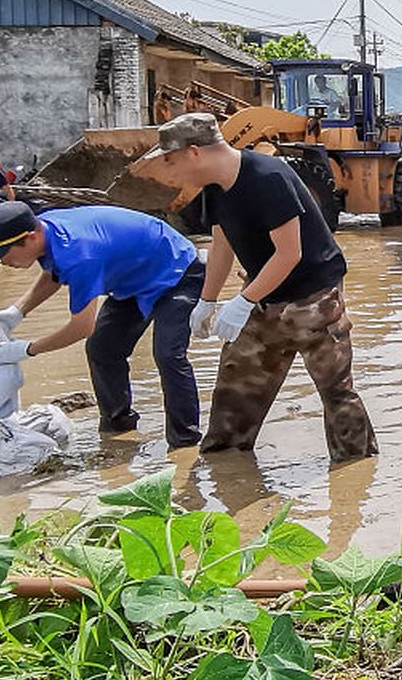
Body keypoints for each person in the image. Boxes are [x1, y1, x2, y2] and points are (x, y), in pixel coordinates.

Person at [139, 113, 374, 462]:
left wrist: (242, 302)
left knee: (336, 393)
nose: (170, 171)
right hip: (261, 295)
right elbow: (222, 246)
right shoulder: (214, 189)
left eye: (171, 161)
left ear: (194, 152)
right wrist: (206, 301)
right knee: (235, 393)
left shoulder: (267, 177)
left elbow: (290, 253)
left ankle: (356, 474)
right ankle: (224, 471)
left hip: (314, 297)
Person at [0, 201, 206, 448]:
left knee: (168, 354)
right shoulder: (47, 231)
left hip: (178, 271)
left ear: (31, 237)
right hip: (133, 278)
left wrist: (26, 349)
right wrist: (17, 311)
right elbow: (54, 273)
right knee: (102, 349)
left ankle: (185, 443)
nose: (2, 262)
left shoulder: (80, 253)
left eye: (3, 253)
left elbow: (81, 327)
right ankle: (117, 429)